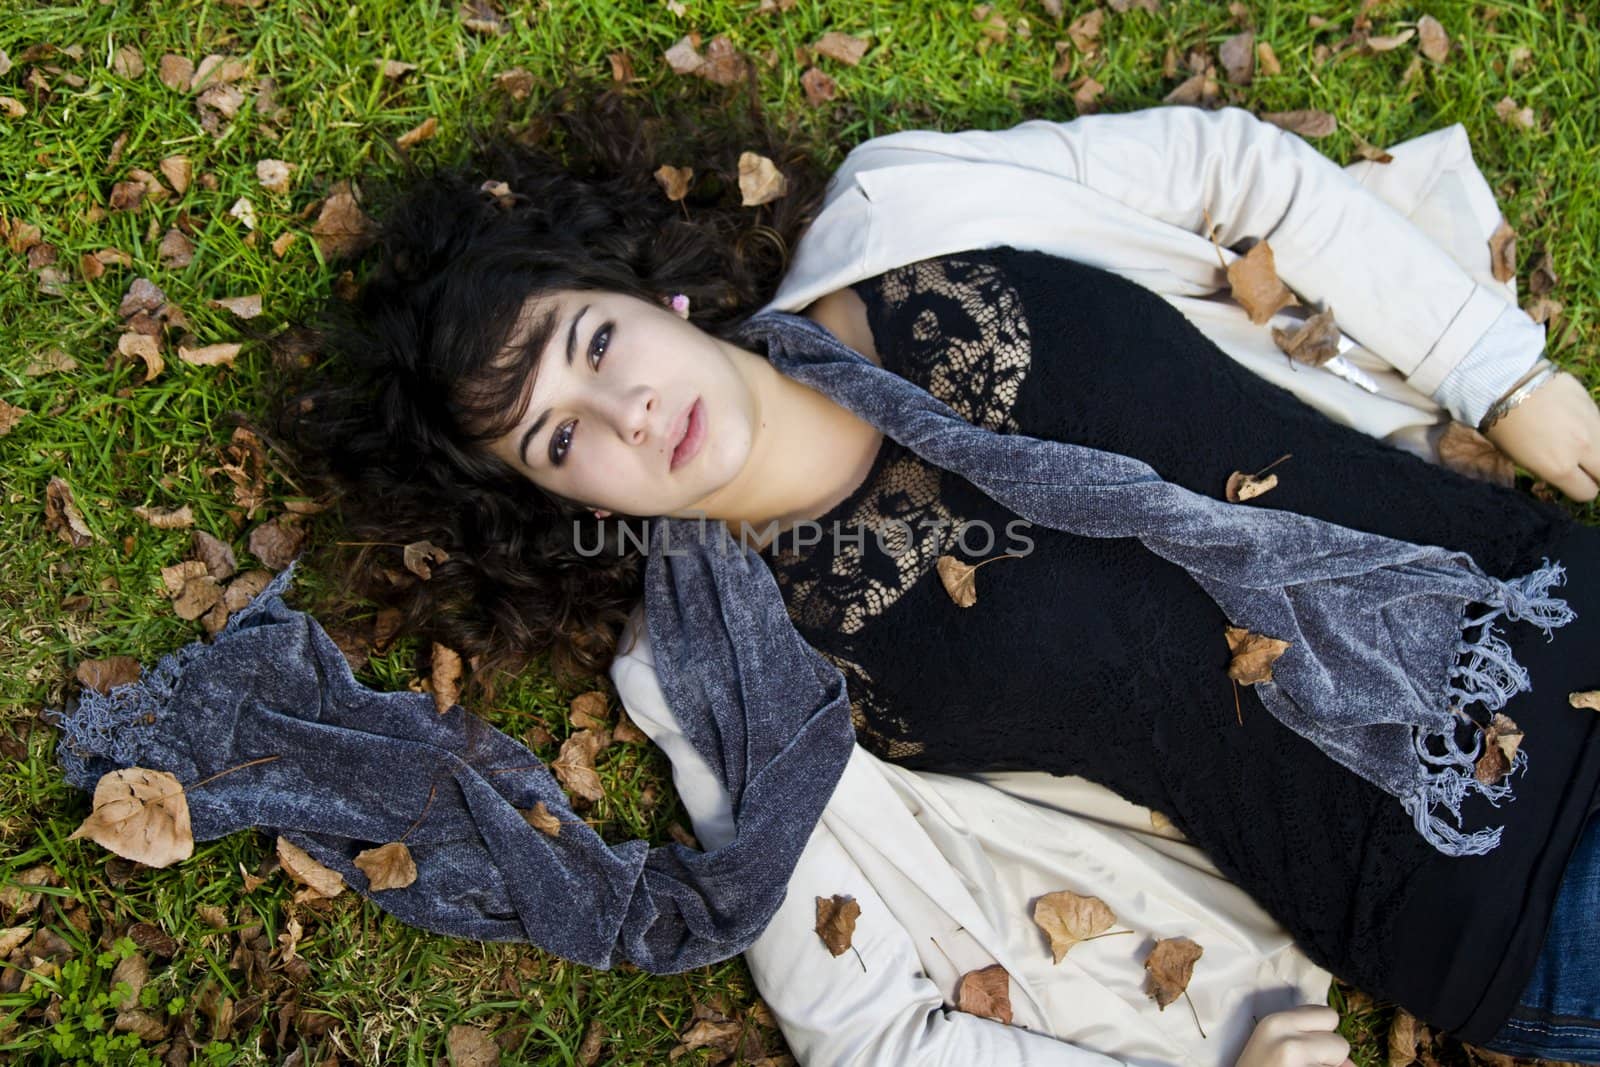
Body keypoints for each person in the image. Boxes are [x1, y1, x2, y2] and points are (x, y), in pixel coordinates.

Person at [268, 91, 1600, 1065]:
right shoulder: (728, 672)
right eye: (559, 437)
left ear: (650, 298)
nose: (622, 416)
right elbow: (868, 1026)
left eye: (595, 344)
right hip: (1492, 895)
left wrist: (1501, 371)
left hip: (1565, 603)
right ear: (556, 499)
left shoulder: (909, 211)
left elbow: (1239, 172)